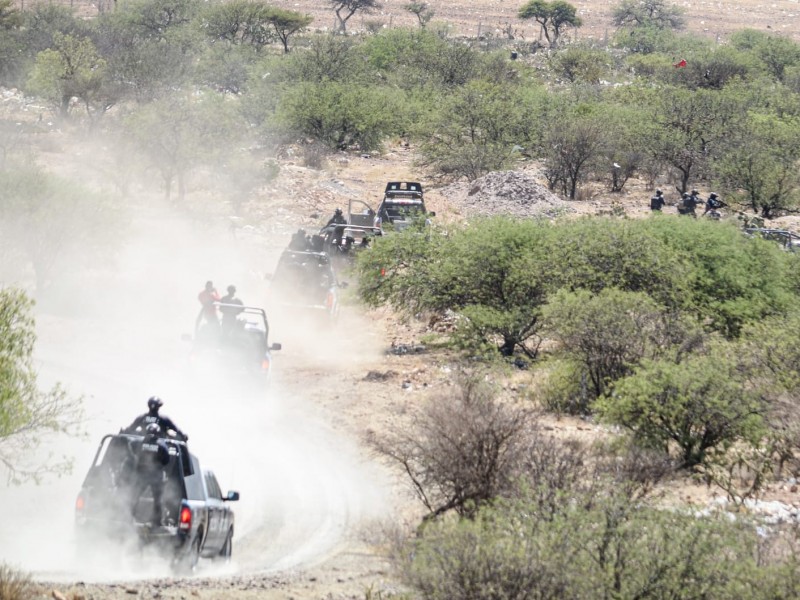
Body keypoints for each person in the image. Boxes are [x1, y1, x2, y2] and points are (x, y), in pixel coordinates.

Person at [131, 423, 171, 526]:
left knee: (135, 496)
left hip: (142, 474)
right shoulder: (161, 445)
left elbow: (131, 446)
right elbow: (166, 460)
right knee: (158, 499)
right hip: (156, 476)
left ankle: (129, 516)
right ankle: (157, 521)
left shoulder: (140, 443)